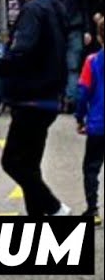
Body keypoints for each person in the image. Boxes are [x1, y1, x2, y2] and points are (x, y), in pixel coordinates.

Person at [0, 0, 70, 216]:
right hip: (49, 95)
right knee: (30, 164)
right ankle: (37, 215)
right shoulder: (56, 7)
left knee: (13, 162)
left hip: (31, 97)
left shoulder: (33, 10)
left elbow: (22, 52)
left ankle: (55, 208)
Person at [74, 45, 103, 225]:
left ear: (99, 37)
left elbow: (83, 91)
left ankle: (93, 210)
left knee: (91, 167)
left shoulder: (92, 60)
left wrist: (80, 117)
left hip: (99, 123)